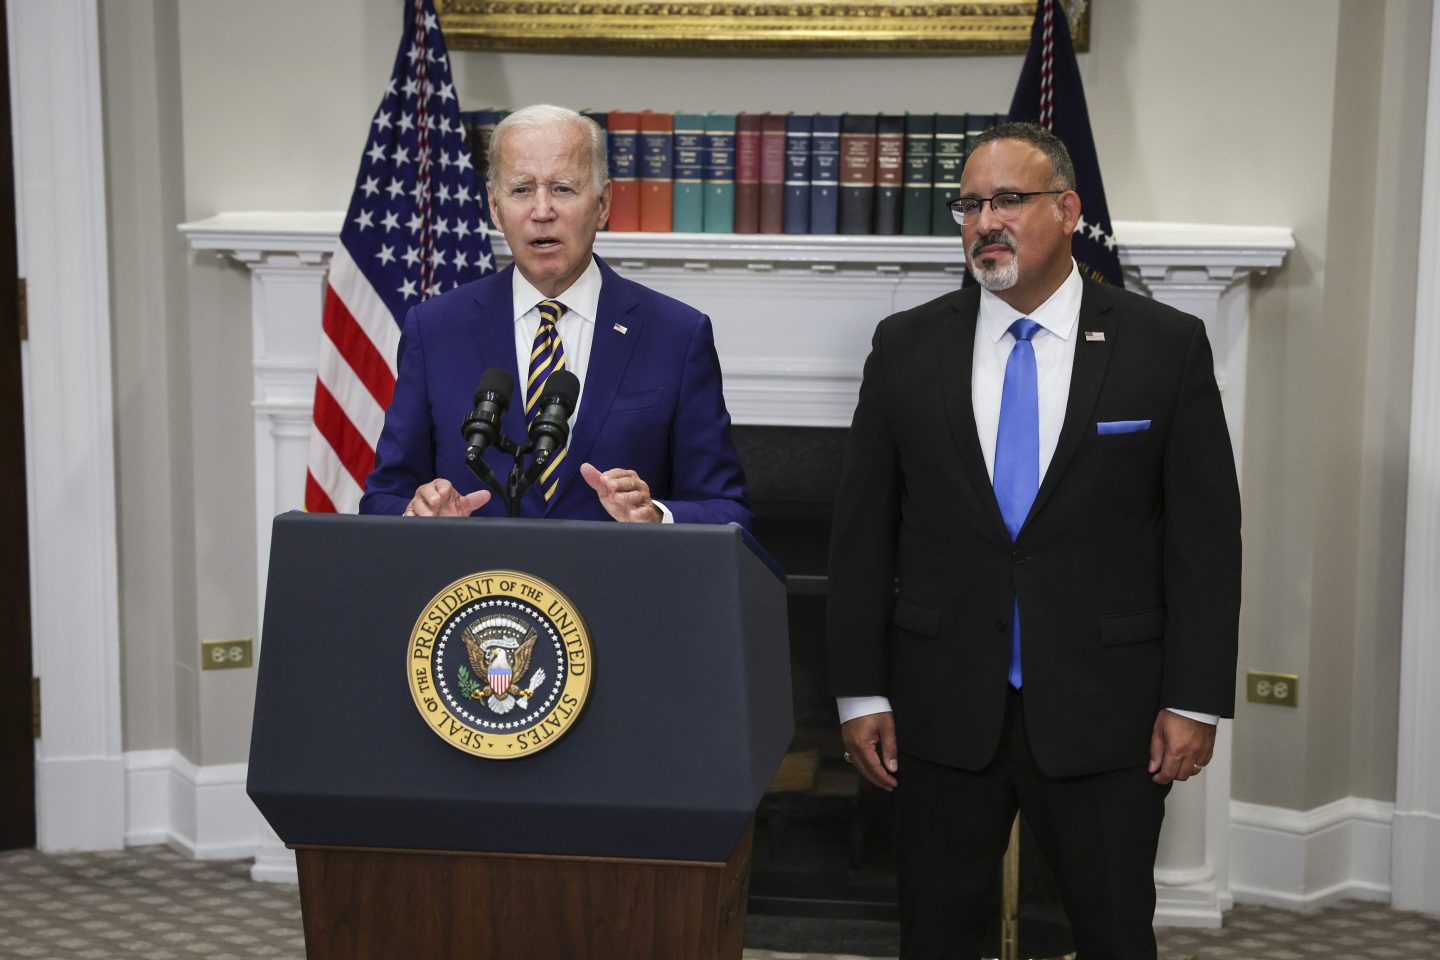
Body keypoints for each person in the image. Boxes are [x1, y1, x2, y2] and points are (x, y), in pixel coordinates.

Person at [826, 122, 1240, 959]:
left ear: (1067, 209)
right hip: (941, 710)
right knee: (935, 934)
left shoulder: (1164, 346)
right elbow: (862, 533)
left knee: (1115, 931)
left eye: (1008, 200)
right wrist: (859, 692)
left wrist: (1194, 700)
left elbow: (1205, 539)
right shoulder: (905, 348)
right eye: (970, 204)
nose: (986, 222)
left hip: (1107, 711)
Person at [360, 104, 750, 528]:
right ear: (494, 206)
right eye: (521, 190)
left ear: (602, 203)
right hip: (481, 587)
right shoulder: (434, 330)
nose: (542, 210)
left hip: (615, 588)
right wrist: (419, 511)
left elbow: (728, 510)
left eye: (563, 188)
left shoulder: (676, 335)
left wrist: (657, 516)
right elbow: (384, 496)